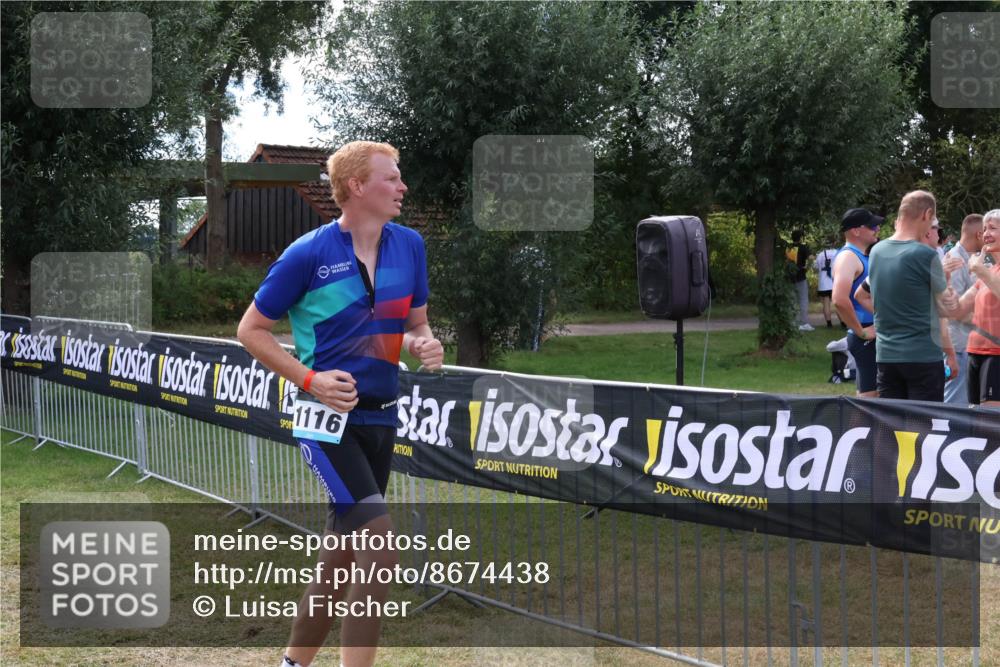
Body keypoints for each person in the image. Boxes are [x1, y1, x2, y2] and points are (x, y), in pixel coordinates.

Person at [237, 141, 444, 667]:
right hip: (327, 422)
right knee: (379, 549)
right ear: (356, 186)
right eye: (391, 178)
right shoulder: (307, 253)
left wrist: (423, 343)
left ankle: (292, 664)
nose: (402, 187)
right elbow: (251, 330)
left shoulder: (410, 245)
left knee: (342, 555)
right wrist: (310, 380)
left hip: (382, 415)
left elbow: (415, 324)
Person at [867, 190, 956, 402]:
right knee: (923, 421)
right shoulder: (925, 254)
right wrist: (951, 354)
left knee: (892, 420)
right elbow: (945, 308)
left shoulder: (877, 251)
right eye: (932, 221)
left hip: (886, 355)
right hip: (922, 356)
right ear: (926, 214)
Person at [945, 209, 1000, 407]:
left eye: (992, 228)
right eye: (984, 229)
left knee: (990, 418)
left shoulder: (984, 271)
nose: (986, 234)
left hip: (996, 354)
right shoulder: (988, 271)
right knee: (975, 416)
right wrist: (946, 282)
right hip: (975, 352)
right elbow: (956, 311)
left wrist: (979, 269)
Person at [831, 208, 882, 398]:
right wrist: (861, 331)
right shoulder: (848, 257)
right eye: (872, 226)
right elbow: (839, 299)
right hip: (866, 335)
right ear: (856, 231)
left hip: (872, 332)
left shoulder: (859, 255)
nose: (877, 229)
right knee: (870, 400)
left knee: (876, 397)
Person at [942, 214, 985, 404]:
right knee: (954, 403)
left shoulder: (972, 258)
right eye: (987, 231)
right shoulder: (955, 261)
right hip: (959, 344)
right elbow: (953, 310)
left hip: (969, 342)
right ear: (979, 234)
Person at [787, 230, 813, 330]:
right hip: (801, 276)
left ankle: (793, 323)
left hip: (790, 277)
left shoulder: (788, 248)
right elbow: (811, 258)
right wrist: (807, 267)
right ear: (801, 238)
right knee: (803, 300)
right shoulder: (803, 247)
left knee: (792, 300)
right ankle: (804, 323)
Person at [813, 242, 839, 328]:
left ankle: (829, 323)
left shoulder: (820, 254)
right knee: (838, 304)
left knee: (826, 304)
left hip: (823, 283)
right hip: (834, 281)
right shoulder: (836, 252)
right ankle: (843, 323)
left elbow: (815, 267)